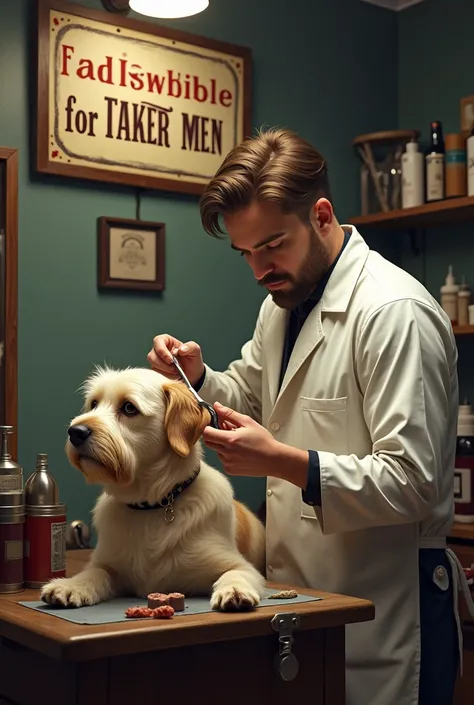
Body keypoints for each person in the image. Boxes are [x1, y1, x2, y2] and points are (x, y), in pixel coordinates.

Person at [148, 127, 463, 705]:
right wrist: (197, 379)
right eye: (246, 253)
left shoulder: (394, 313)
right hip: (304, 602)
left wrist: (284, 462)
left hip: (390, 608)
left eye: (273, 244)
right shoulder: (282, 304)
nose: (260, 270)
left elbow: (413, 481)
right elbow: (252, 395)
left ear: (321, 215)